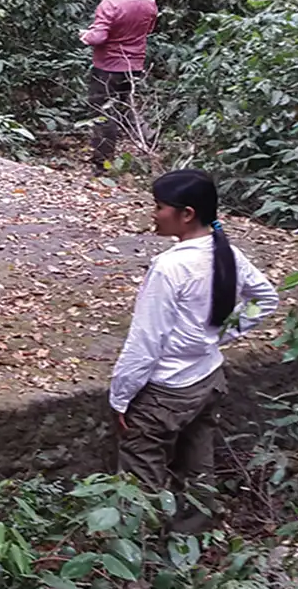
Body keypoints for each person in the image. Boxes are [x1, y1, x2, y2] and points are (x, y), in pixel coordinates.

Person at [109, 169, 280, 529]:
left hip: (165, 392)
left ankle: (133, 573)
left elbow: (145, 342)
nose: (153, 215)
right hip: (207, 380)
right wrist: (217, 338)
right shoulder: (228, 254)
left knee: (139, 484)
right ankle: (192, 549)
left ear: (186, 213)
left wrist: (121, 399)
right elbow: (265, 298)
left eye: (159, 207)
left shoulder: (169, 267)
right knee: (199, 472)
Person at [79, 0, 158, 168]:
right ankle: (150, 147)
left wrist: (86, 35)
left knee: (103, 114)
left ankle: (102, 163)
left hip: (107, 67)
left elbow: (99, 38)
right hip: (134, 65)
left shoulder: (111, 2)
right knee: (127, 108)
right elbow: (148, 29)